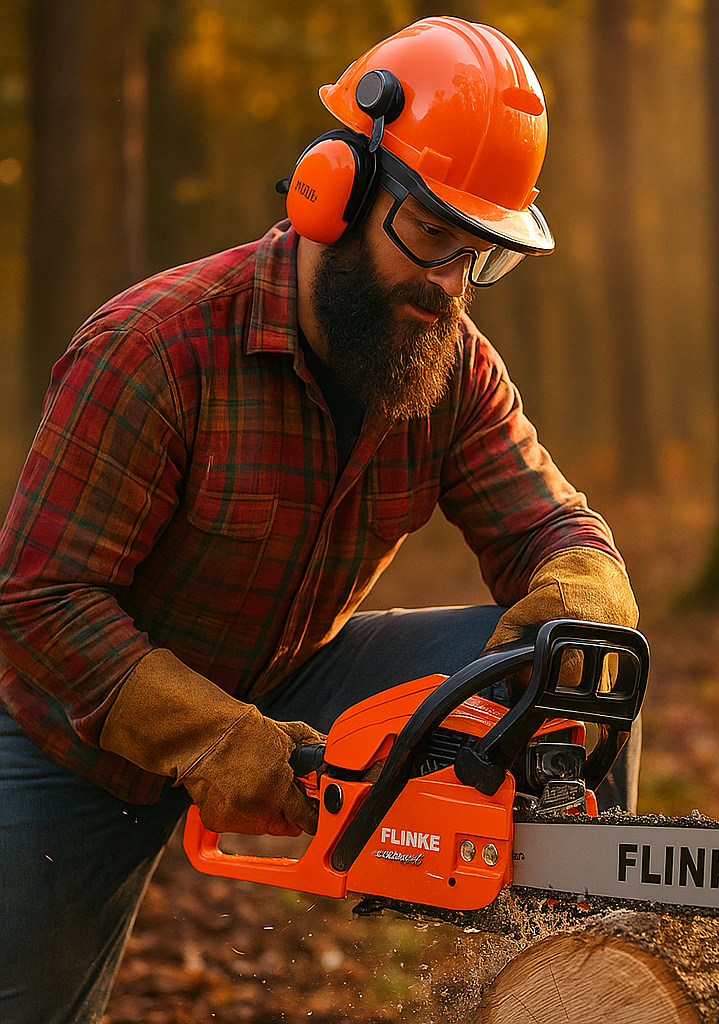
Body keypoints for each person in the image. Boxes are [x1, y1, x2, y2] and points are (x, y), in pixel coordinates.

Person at [0, 17, 639, 1023]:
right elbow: (41, 602)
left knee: (573, 656)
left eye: (476, 255)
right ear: (330, 192)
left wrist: (578, 589)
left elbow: (554, 530)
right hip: (71, 733)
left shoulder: (449, 364)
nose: (447, 283)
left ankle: (578, 971)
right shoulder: (157, 347)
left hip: (292, 673)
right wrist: (212, 739)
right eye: (430, 233)